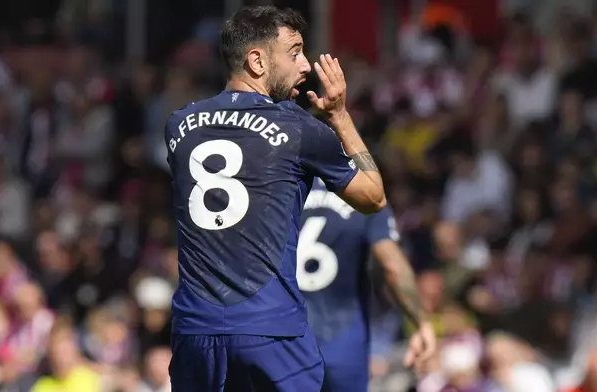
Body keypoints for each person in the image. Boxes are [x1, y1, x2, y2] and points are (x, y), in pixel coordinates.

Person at [165, 5, 400, 391]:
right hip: (271, 331)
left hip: (195, 332)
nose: (305, 65)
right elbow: (373, 197)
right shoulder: (301, 129)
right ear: (257, 60)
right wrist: (339, 116)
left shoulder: (180, 126)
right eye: (294, 52)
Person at [298, 179, 436, 391]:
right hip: (342, 340)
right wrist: (421, 322)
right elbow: (393, 266)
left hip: (284, 336)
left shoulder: (280, 185)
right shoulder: (363, 191)